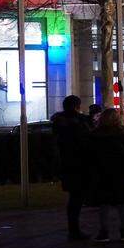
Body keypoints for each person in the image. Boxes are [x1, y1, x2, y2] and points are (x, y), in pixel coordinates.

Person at [86, 108, 124, 242]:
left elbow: (89, 156)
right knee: (122, 203)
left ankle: (104, 232)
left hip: (102, 173)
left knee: (104, 204)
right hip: (121, 173)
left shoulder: (95, 135)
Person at [53, 95, 94, 240]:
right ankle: (74, 230)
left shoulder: (60, 122)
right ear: (77, 106)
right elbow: (85, 140)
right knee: (77, 198)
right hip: (78, 164)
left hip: (67, 164)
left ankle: (73, 229)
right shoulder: (77, 123)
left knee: (74, 197)